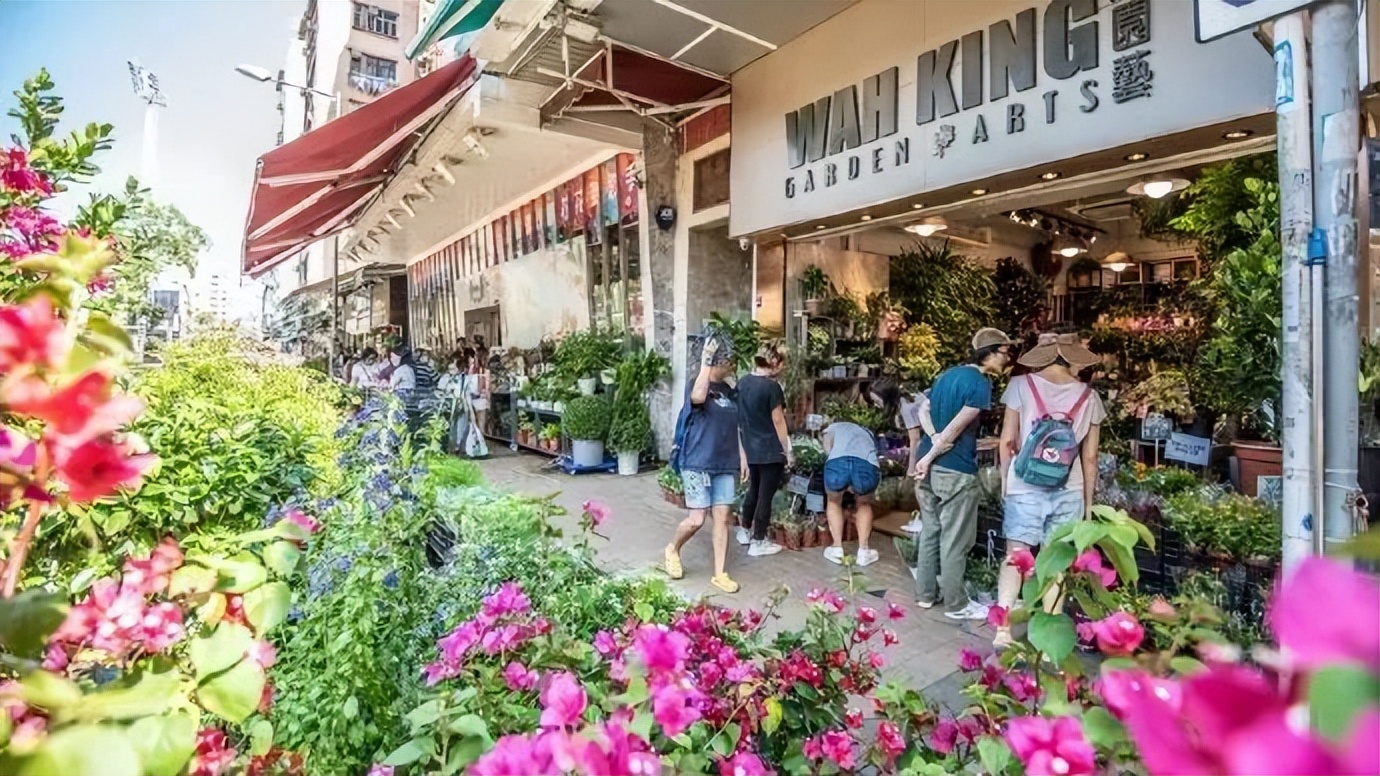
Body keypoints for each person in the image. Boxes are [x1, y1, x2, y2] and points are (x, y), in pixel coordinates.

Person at [992, 332, 1105, 649]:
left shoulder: (1019, 386)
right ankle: (1045, 633)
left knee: (1016, 557)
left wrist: (1005, 481)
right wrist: (1087, 503)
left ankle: (1002, 629)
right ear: (1070, 358)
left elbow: (1006, 441)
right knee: (1057, 562)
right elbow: (1090, 456)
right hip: (1069, 488)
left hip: (1023, 486)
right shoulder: (1089, 397)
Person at [913, 327, 1015, 620]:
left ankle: (925, 595)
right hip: (954, 467)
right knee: (955, 539)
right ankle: (956, 604)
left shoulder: (946, 375)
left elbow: (923, 411)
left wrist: (930, 445)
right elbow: (957, 427)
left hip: (927, 466)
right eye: (1004, 353)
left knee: (931, 530)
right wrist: (936, 449)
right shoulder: (980, 383)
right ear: (990, 353)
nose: (1007, 359)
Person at [664, 335, 743, 594]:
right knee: (697, 519)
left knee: (722, 518)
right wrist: (705, 362)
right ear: (717, 361)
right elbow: (698, 398)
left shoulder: (730, 391)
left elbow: (737, 427)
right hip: (698, 461)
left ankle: (720, 573)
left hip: (726, 462)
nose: (731, 364)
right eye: (727, 360)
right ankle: (673, 549)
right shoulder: (696, 385)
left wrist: (742, 457)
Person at [735, 343, 791, 557]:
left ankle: (745, 530)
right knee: (765, 495)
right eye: (782, 362)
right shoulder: (771, 387)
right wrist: (787, 450)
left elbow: (738, 418)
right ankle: (759, 540)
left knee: (754, 489)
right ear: (774, 362)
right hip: (769, 448)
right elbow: (778, 420)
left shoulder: (743, 383)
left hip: (751, 446)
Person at [868, 377, 936, 534]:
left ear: (887, 397)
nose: (876, 405)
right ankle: (923, 520)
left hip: (932, 440)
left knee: (920, 485)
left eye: (877, 401)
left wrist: (910, 469)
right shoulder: (907, 398)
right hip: (932, 438)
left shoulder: (906, 406)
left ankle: (925, 522)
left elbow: (915, 440)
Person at [821, 419, 882, 566]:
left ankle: (837, 548)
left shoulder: (830, 428)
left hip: (838, 463)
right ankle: (863, 551)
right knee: (864, 503)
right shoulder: (866, 431)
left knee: (833, 500)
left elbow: (827, 451)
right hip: (866, 464)